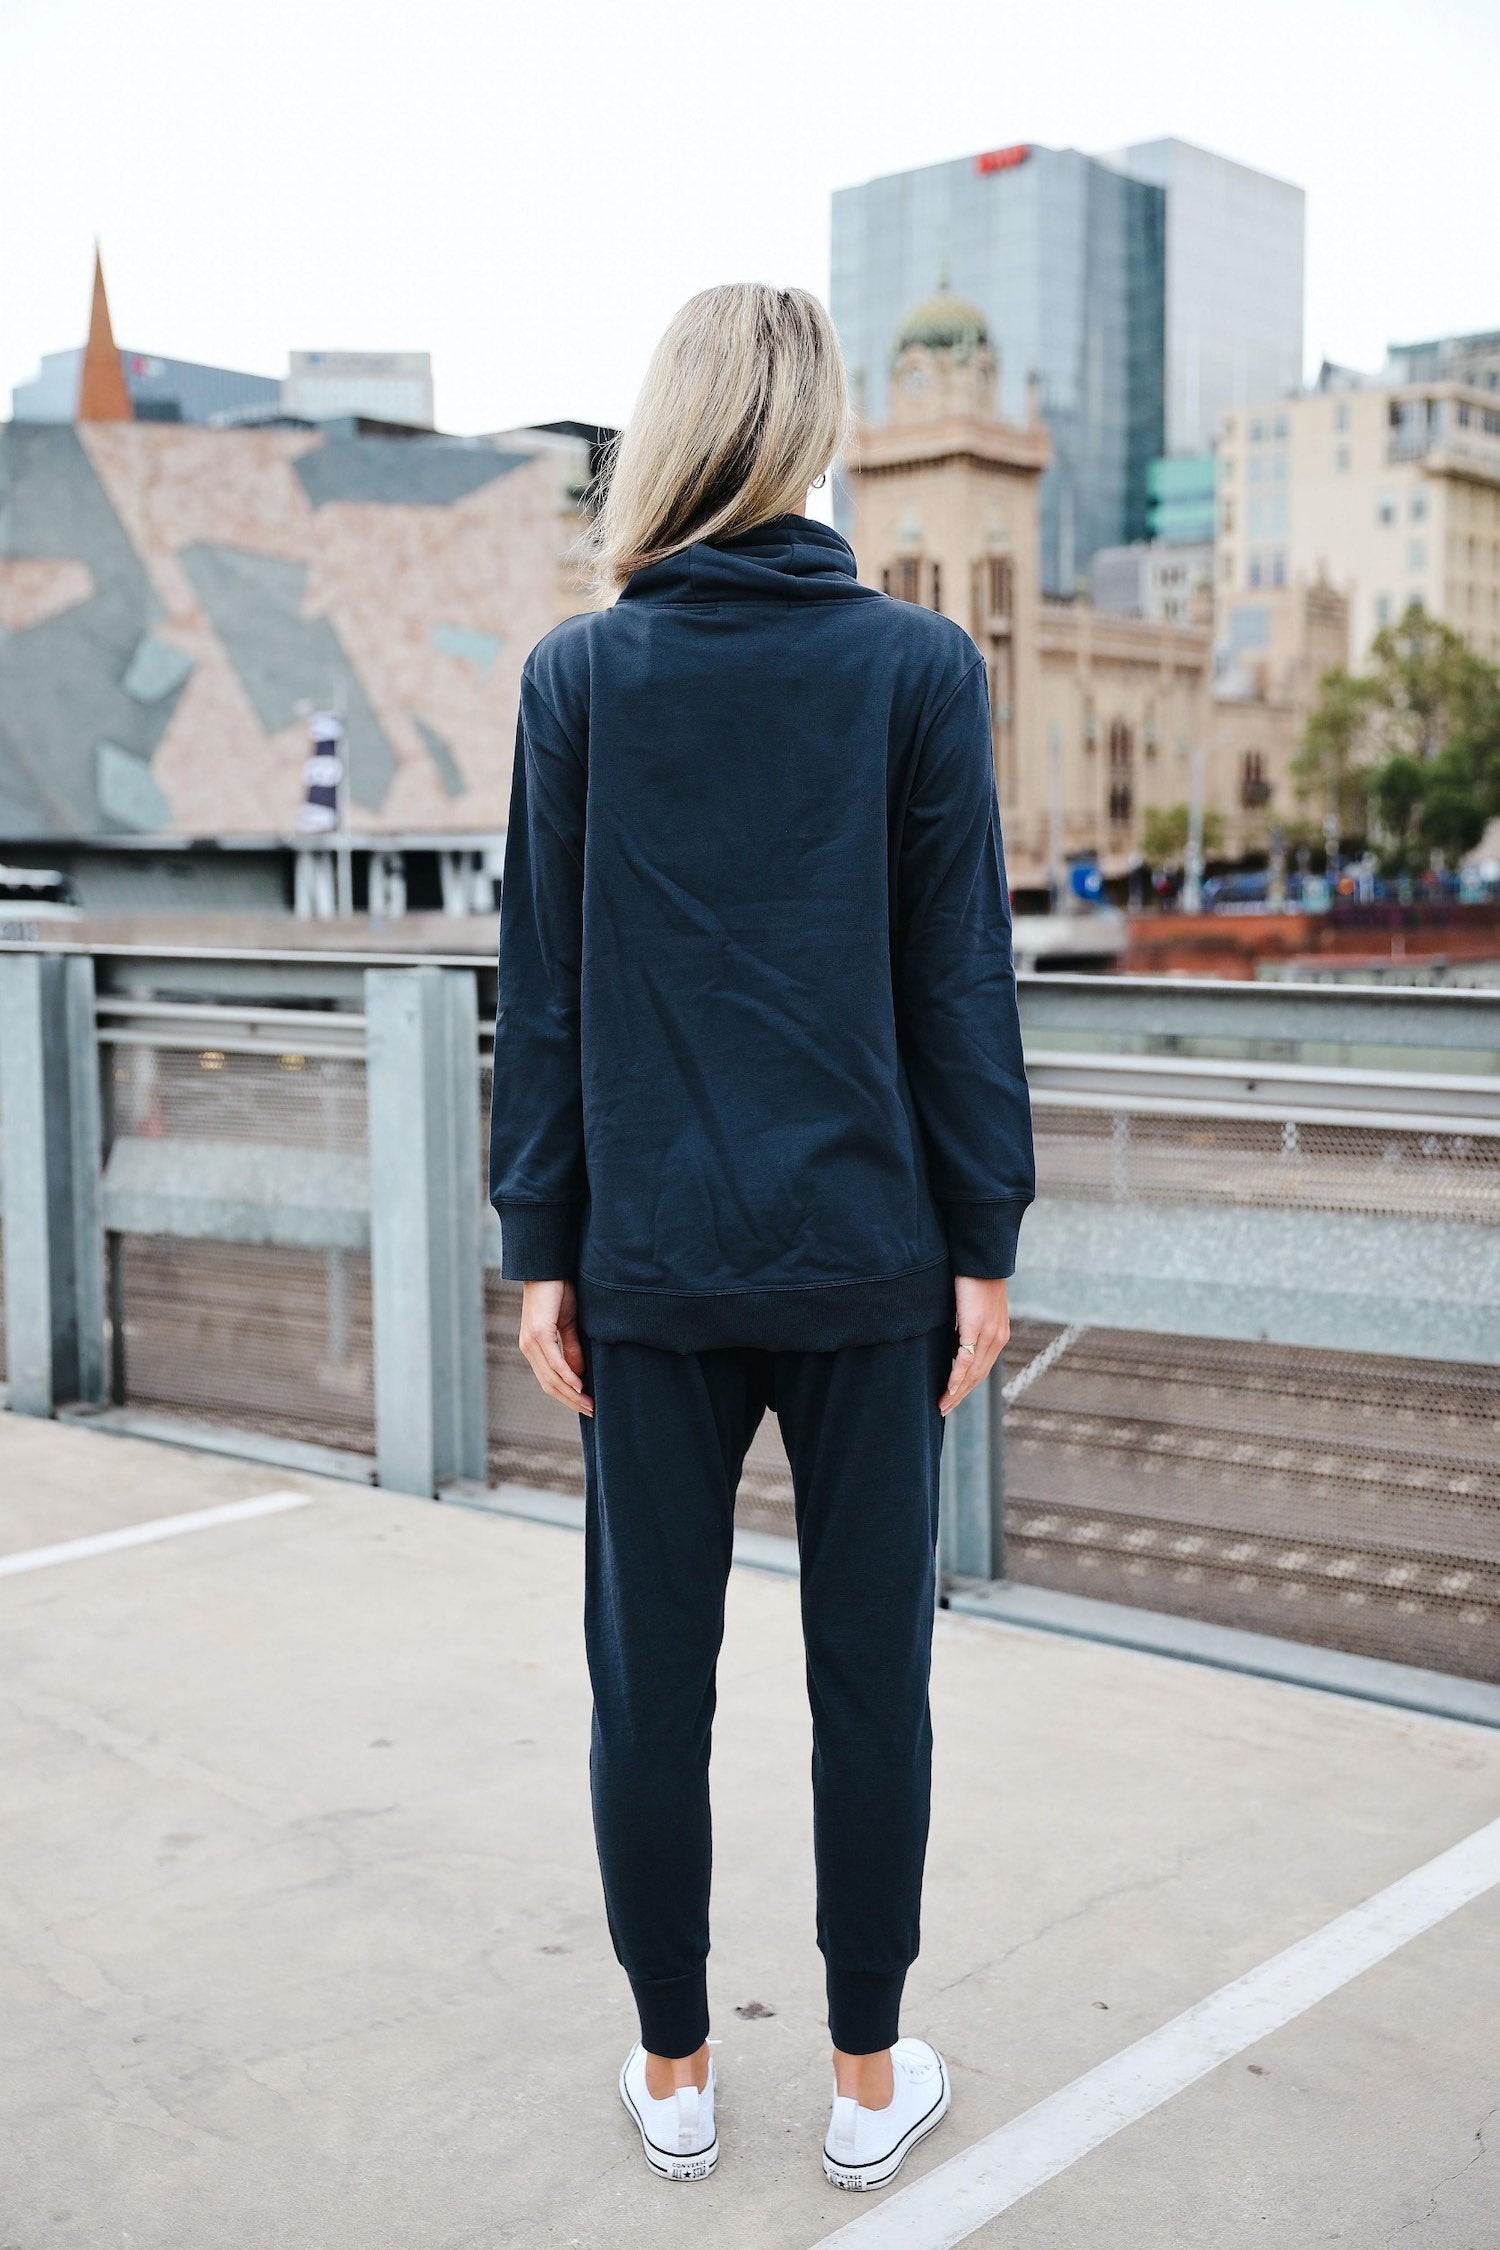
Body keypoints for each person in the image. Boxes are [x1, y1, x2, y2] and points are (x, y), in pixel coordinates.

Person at [489, 282, 1034, 2192]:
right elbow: (960, 975)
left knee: (653, 1673)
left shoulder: (579, 677)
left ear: (671, 433)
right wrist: (987, 1239)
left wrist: (537, 1236)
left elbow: (540, 990)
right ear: (813, 441)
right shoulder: (920, 670)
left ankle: (679, 2063)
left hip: (645, 1264)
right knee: (869, 1668)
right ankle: (872, 2084)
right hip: (872, 1258)